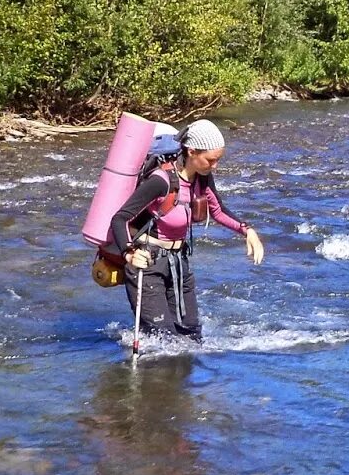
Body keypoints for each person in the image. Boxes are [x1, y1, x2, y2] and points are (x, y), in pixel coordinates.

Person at [108, 119, 263, 343]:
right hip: (148, 263)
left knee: (191, 336)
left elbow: (217, 210)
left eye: (218, 160)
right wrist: (129, 253)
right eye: (211, 160)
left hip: (179, 263)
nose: (215, 166)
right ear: (191, 151)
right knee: (162, 339)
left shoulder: (202, 178)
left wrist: (248, 231)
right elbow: (120, 218)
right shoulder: (160, 181)